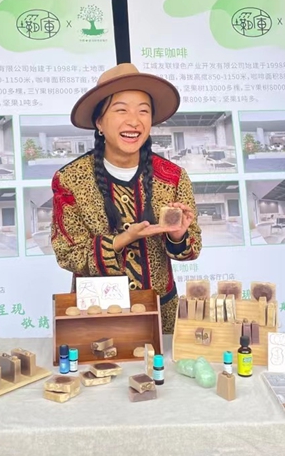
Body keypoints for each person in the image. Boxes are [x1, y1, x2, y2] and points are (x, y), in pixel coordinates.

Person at [50, 63, 202, 333]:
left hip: (161, 314)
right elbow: (68, 254)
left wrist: (178, 236)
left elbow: (193, 249)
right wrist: (122, 240)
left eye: (143, 111)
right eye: (121, 110)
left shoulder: (173, 176)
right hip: (96, 313)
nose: (134, 121)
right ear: (99, 122)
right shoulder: (69, 179)